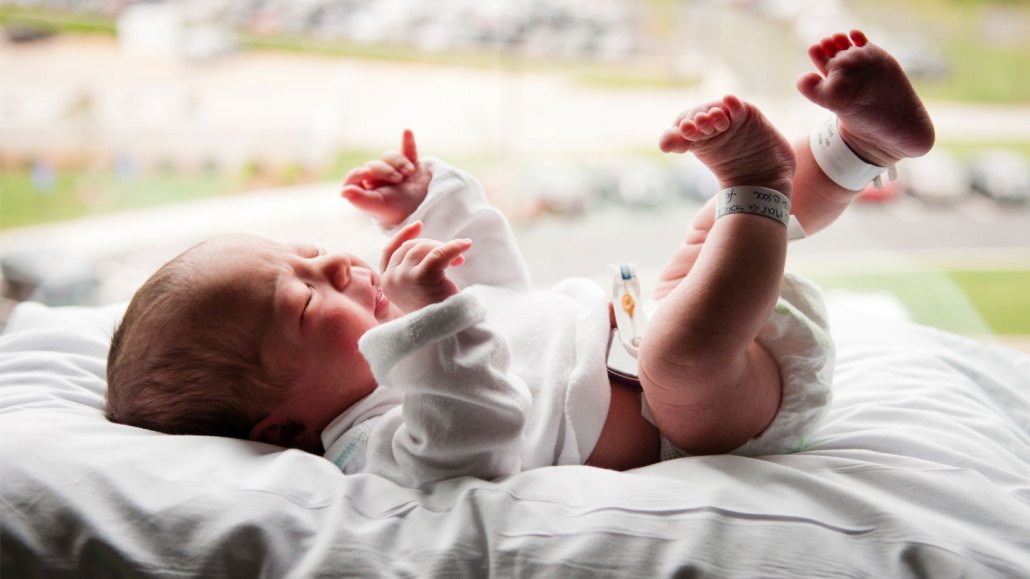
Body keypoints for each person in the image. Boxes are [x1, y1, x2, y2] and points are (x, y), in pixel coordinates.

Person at [106, 30, 934, 486]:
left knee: (708, 240)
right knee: (689, 345)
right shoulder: (368, 446)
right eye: (305, 301)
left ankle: (854, 146)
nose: (335, 268)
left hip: (654, 318)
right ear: (283, 423)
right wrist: (429, 323)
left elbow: (498, 276)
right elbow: (477, 436)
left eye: (311, 255)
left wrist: (433, 200)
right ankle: (763, 178)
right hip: (701, 416)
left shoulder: (408, 326)